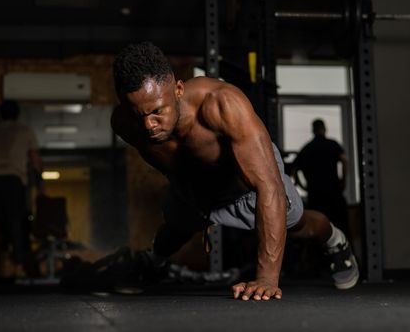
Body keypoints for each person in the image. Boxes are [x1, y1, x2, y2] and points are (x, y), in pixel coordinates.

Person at [111, 42, 359, 301]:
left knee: (298, 223)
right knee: (175, 229)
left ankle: (335, 240)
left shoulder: (222, 105)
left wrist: (266, 278)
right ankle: (153, 263)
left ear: (179, 89)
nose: (148, 125)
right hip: (193, 186)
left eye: (157, 111)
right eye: (137, 114)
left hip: (247, 185)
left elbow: (268, 187)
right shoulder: (124, 124)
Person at [0, 100, 43, 279]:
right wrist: (40, 185)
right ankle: (19, 268)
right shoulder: (25, 130)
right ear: (17, 114)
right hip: (13, 180)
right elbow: (35, 159)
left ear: (1, 114)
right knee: (16, 224)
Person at [292, 119, 349, 235]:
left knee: (317, 232)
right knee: (341, 229)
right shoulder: (332, 144)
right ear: (324, 129)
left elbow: (294, 170)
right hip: (334, 193)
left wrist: (303, 187)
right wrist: (343, 181)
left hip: (316, 196)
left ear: (313, 130)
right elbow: (344, 160)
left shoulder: (307, 148)